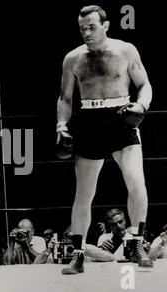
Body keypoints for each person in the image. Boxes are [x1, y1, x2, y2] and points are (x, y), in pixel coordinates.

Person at [56, 5, 153, 274]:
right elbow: (65, 98)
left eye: (91, 26)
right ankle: (77, 253)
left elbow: (144, 84)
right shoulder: (72, 59)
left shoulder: (125, 50)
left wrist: (141, 107)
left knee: (136, 180)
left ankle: (137, 241)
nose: (86, 32)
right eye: (82, 28)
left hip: (121, 114)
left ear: (105, 26)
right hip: (89, 118)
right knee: (84, 192)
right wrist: (61, 126)